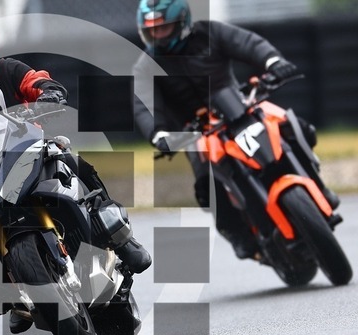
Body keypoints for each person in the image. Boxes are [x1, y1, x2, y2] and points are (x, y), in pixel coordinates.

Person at [0, 18, 151, 333]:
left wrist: (48, 92)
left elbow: (36, 80)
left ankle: (122, 240)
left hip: (26, 151)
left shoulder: (7, 70)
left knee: (69, 157)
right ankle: (9, 286)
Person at [133, 0, 338, 259]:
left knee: (293, 127)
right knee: (206, 184)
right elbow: (144, 105)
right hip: (196, 131)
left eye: (164, 28)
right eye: (152, 31)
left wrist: (273, 61)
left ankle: (318, 187)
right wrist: (158, 133)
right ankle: (239, 235)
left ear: (183, 22)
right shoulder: (145, 66)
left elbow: (248, 43)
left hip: (238, 106)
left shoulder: (210, 33)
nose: (159, 36)